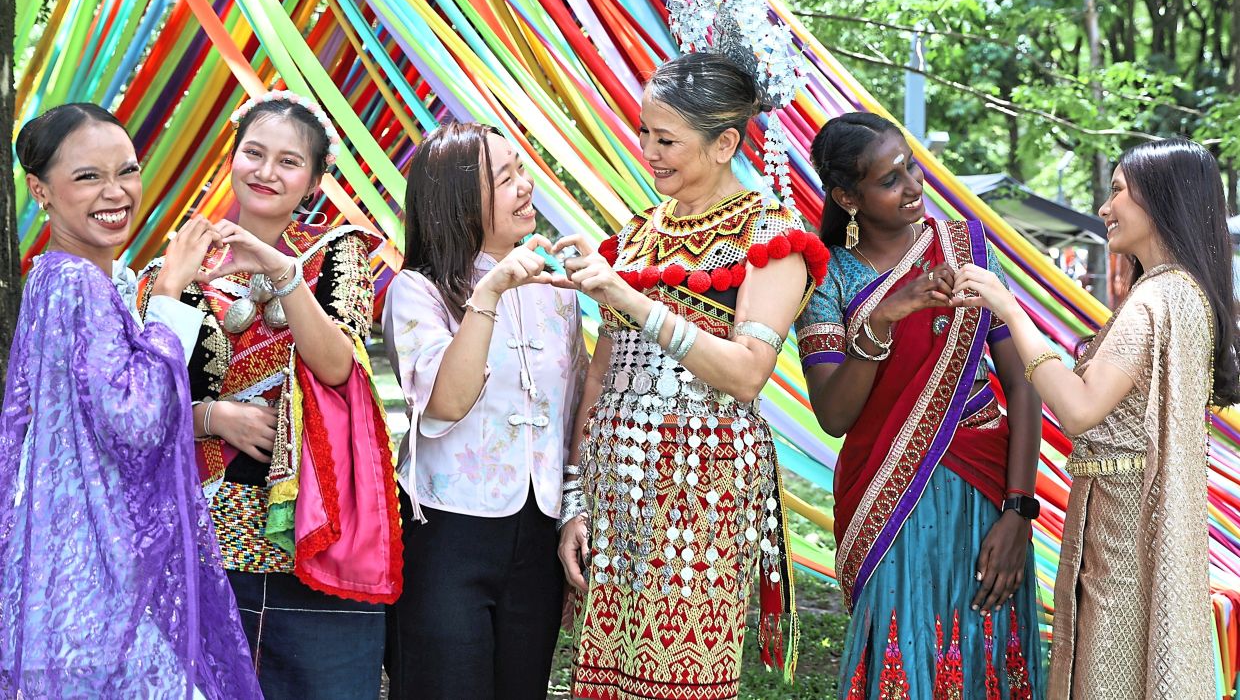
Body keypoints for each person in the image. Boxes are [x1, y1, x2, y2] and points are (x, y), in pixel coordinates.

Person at [556, 52, 827, 700]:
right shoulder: (636, 234)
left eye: (666, 139)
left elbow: (746, 374)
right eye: (644, 133)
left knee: (681, 670)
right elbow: (600, 375)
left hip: (700, 487)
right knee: (607, 668)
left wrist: (638, 304)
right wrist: (574, 500)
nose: (648, 151)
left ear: (725, 142)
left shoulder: (768, 233)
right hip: (615, 483)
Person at [953, 137, 1237, 698]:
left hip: (1125, 544)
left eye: (1117, 192)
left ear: (1161, 200)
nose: (1105, 208)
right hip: (1140, 531)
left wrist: (1008, 309)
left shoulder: (1157, 300)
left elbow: (1080, 409)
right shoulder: (1183, 293)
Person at [140, 90, 402, 700]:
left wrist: (282, 274)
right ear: (231, 159)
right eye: (254, 153)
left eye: (289, 162)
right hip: (200, 543)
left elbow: (338, 367)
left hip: (309, 542)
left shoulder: (336, 255)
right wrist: (212, 416)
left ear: (313, 180)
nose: (266, 171)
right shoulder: (172, 267)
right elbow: (139, 404)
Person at [1, 103, 261, 698]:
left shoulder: (58, 276)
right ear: (40, 190)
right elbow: (138, 420)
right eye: (87, 176)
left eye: (127, 170)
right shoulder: (76, 283)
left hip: (71, 571)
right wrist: (170, 291)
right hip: (95, 585)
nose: (115, 192)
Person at [795, 112, 1045, 697]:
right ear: (846, 197)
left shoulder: (966, 248)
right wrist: (882, 320)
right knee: (903, 654)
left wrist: (1019, 510)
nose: (913, 186)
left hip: (987, 490)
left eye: (911, 166)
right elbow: (835, 415)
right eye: (889, 180)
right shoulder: (826, 279)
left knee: (983, 646)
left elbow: (1025, 381)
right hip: (888, 498)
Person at [381, 121, 586, 699]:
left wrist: (573, 509)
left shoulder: (557, 289)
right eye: (506, 178)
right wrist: (489, 293)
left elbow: (573, 409)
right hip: (446, 531)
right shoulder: (416, 290)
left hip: (537, 531)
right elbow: (446, 401)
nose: (526, 187)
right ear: (458, 198)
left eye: (523, 171)